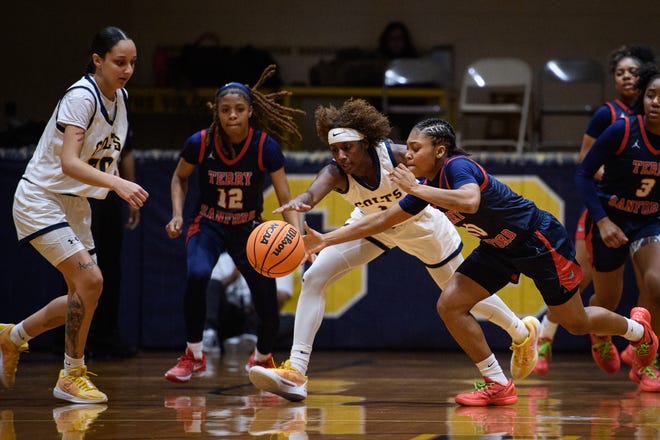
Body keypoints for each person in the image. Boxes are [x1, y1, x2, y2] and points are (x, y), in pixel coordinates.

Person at [295, 117, 658, 406]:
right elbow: (383, 220)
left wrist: (416, 189)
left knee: (574, 322)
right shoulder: (427, 182)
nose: (407, 155)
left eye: (416, 148)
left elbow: (468, 202)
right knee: (450, 304)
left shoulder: (457, 167)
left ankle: (638, 332)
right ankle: (497, 383)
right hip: (497, 246)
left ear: (439, 151)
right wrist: (326, 239)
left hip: (538, 240)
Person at [248, 99, 540, 404]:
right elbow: (313, 192)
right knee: (315, 276)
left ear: (366, 141)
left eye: (348, 147)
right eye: (336, 150)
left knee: (464, 301)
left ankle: (520, 332)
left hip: (424, 229)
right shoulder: (335, 172)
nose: (342, 155)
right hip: (372, 226)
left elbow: (444, 166)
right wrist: (302, 202)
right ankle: (296, 371)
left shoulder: (399, 155)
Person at [2, 26, 148, 403]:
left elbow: (100, 157)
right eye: (120, 62)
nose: (128, 69)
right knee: (92, 281)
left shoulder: (121, 98)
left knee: (83, 295)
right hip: (42, 196)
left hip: (76, 204)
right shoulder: (82, 97)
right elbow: (68, 162)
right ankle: (71, 374)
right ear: (98, 60)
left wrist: (115, 178)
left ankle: (12, 337)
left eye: (132, 62)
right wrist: (118, 186)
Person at [164, 65, 303, 383]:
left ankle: (264, 357)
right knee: (198, 275)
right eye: (225, 110)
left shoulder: (265, 146)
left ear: (250, 111)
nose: (232, 116)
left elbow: (285, 196)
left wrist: (295, 231)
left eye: (239, 109)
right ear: (218, 112)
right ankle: (193, 355)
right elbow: (178, 178)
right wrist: (176, 214)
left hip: (249, 227)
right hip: (208, 223)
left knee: (267, 300)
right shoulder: (200, 142)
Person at [534, 45, 656, 375]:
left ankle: (642, 352)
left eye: (633, 72)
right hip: (605, 210)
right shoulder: (610, 116)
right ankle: (544, 339)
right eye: (620, 73)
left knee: (651, 284)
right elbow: (585, 162)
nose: (627, 77)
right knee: (579, 281)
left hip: (645, 216)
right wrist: (621, 177)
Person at [574, 62, 660, 392]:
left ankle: (647, 361)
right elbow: (583, 174)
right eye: (650, 94)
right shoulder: (622, 129)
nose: (655, 101)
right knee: (608, 298)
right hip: (611, 219)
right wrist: (604, 220)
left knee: (656, 286)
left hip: (649, 220)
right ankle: (601, 334)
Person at [87, 142, 140, 359]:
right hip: (81, 190)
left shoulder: (121, 111)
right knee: (81, 267)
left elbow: (126, 151)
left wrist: (131, 193)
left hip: (110, 194)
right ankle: (70, 339)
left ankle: (105, 336)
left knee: (109, 267)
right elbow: (68, 161)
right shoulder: (79, 108)